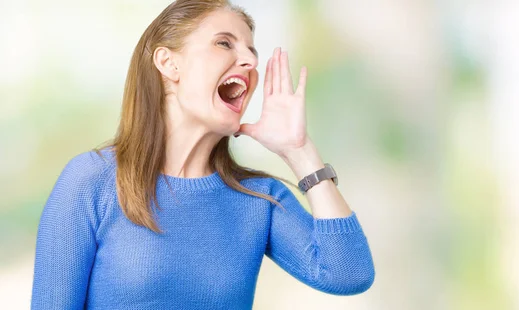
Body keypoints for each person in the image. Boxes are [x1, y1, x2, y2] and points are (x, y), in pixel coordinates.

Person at [31, 0, 375, 308]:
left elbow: (348, 273)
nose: (250, 60)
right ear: (168, 64)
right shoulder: (92, 180)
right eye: (224, 43)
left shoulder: (259, 199)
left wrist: (299, 151)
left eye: (252, 51)